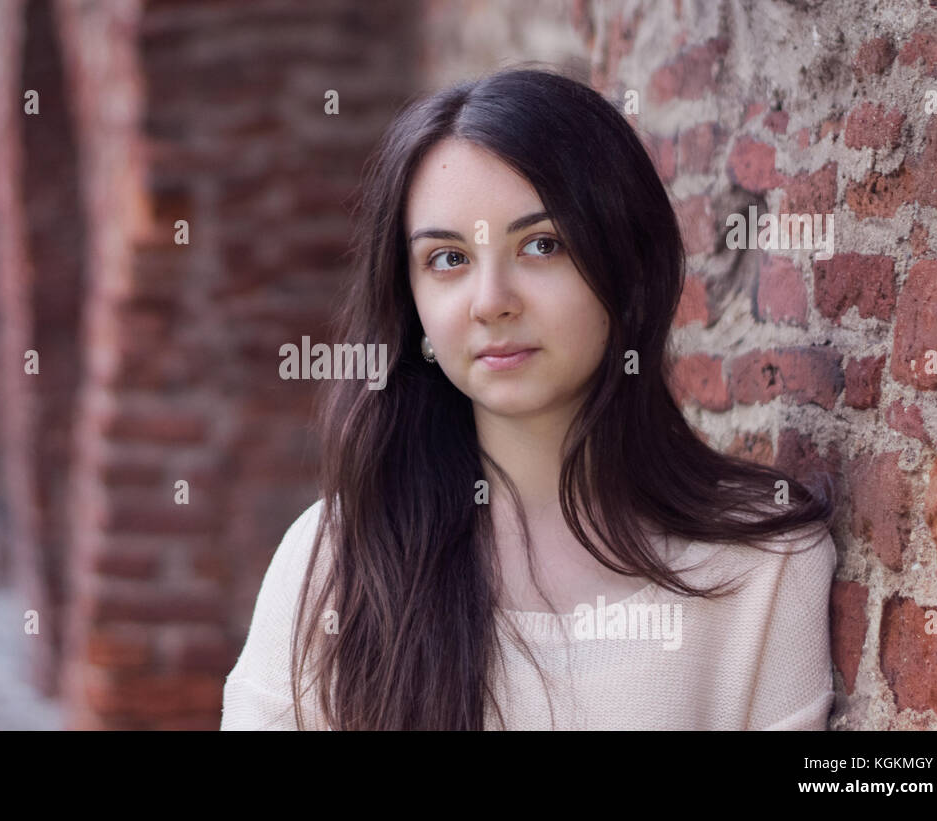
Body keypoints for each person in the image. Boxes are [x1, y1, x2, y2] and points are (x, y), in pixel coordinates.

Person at [222, 64, 838, 730]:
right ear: (410, 297)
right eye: (448, 259)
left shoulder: (762, 564)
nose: (491, 302)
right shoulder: (339, 562)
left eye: (541, 245)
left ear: (628, 265)